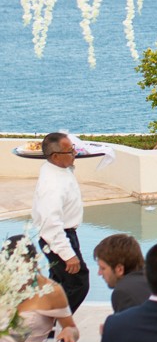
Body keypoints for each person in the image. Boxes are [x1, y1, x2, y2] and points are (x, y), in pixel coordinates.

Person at [29, 131, 90, 313]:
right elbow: (50, 223)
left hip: (65, 234)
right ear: (55, 156)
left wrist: (70, 154)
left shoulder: (56, 167)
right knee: (78, 283)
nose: (75, 153)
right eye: (70, 151)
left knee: (57, 285)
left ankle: (49, 326)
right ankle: (55, 321)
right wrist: (67, 254)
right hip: (58, 237)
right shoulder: (52, 185)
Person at [0, 236, 79, 342]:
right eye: (11, 269)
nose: (17, 274)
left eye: (22, 269)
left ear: (34, 264)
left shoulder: (51, 290)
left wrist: (69, 332)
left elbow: (71, 328)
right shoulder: (3, 284)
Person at [94, 233, 151, 312]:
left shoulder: (123, 292)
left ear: (119, 269)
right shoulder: (153, 278)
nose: (99, 273)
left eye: (103, 268)